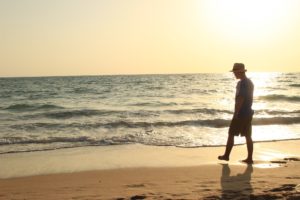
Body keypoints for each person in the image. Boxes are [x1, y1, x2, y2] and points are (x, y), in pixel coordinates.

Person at [218, 63, 254, 164]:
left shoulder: (242, 83)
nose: (234, 74)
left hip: (241, 113)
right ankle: (250, 158)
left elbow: (241, 98)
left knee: (231, 134)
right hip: (248, 112)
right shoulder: (250, 82)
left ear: (240, 72)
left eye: (235, 72)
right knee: (248, 135)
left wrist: (236, 113)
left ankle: (226, 156)